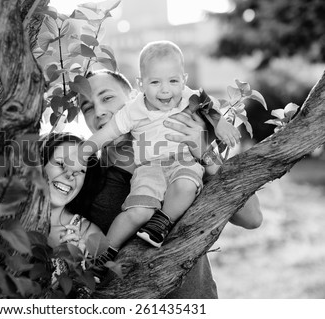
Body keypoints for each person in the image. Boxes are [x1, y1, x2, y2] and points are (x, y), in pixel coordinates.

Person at [78, 69, 263, 298]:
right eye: (87, 107)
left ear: (137, 97)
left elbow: (252, 218)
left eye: (107, 98)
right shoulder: (86, 177)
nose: (99, 112)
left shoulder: (185, 148)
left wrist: (205, 152)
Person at [72, 41, 241, 257]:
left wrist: (216, 131)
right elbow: (105, 134)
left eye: (107, 98)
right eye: (155, 82)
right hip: (149, 167)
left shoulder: (190, 104)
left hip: (183, 159)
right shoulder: (133, 112)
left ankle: (161, 221)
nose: (164, 89)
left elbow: (252, 217)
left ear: (183, 81)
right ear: (141, 85)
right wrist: (81, 153)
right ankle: (103, 256)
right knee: (140, 207)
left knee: (186, 183)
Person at [41, 133, 102, 293]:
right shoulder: (5, 223)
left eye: (80, 171)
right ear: (40, 164)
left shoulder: (90, 235)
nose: (70, 175)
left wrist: (76, 270)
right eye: (61, 163)